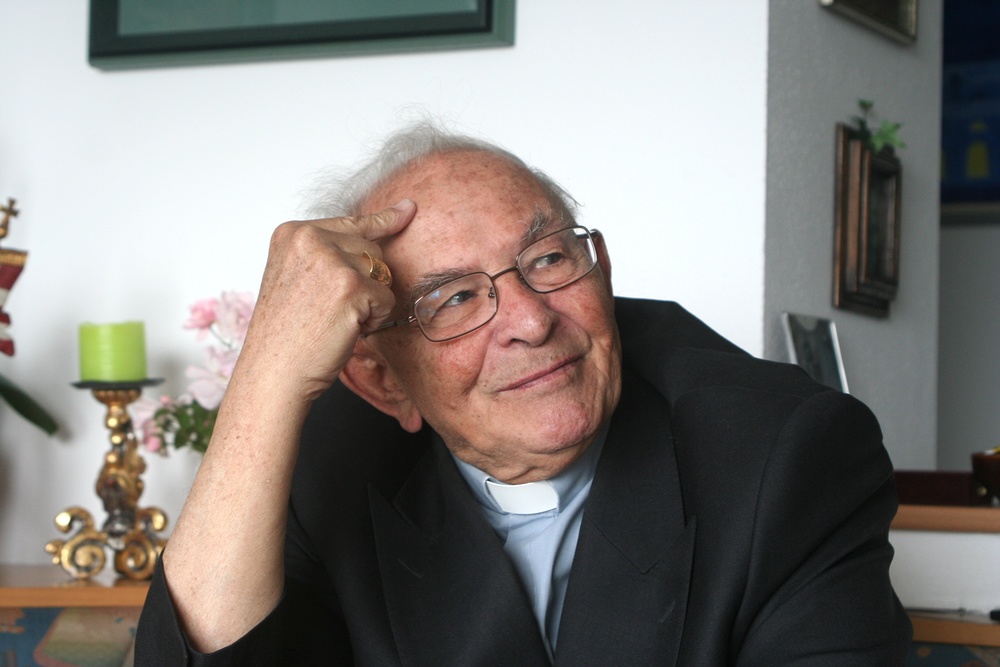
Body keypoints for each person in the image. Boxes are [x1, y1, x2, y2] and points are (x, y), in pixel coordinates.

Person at [136, 121, 911, 665]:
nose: (532, 321)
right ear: (382, 380)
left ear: (602, 270)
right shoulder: (330, 461)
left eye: (547, 258)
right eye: (453, 299)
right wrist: (265, 373)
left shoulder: (783, 451)